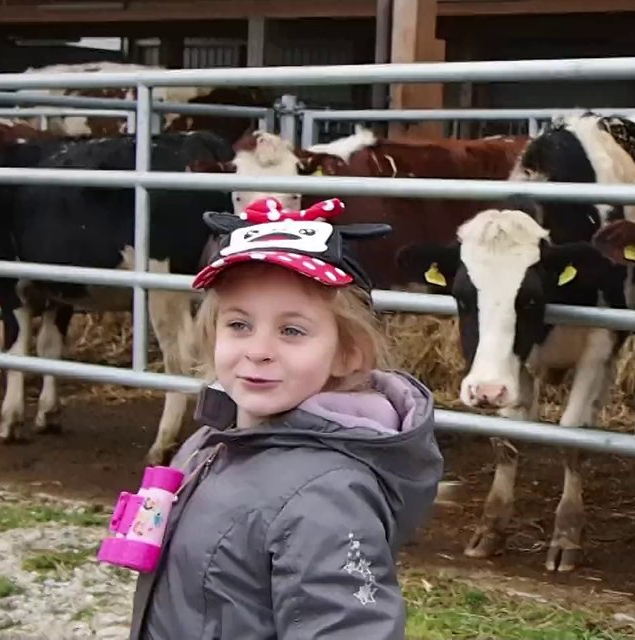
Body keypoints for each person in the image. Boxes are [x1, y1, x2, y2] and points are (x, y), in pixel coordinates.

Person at [125, 196, 444, 640]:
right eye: (238, 325)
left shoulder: (327, 499)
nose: (258, 349)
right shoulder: (214, 441)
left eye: (291, 330)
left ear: (347, 353)